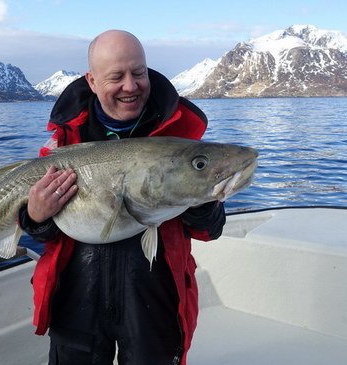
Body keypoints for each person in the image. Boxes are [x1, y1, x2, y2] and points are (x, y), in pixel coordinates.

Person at [19, 30, 226, 365]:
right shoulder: (63, 145)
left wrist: (203, 200)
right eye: (116, 76)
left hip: (154, 303)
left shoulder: (178, 144)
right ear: (92, 80)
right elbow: (42, 230)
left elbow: (209, 230)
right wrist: (36, 217)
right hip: (76, 301)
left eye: (138, 73)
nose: (130, 86)